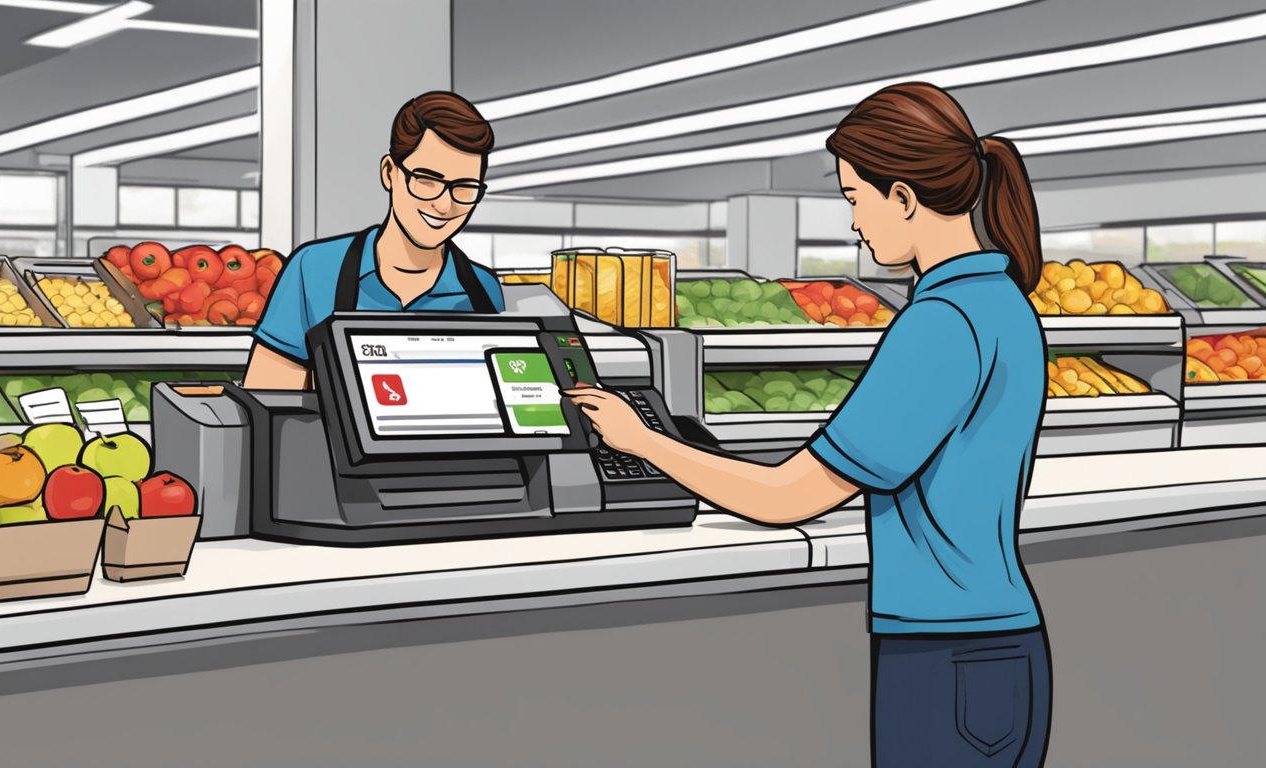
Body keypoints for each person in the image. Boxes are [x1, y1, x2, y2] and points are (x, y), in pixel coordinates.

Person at [565, 82, 1051, 767]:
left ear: (905, 198)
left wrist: (643, 440)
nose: (855, 222)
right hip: (1005, 655)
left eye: (857, 198)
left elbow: (789, 497)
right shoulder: (1004, 305)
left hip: (945, 654)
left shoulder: (941, 326)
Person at [244, 91, 504, 390]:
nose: (444, 205)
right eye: (426, 180)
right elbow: (271, 406)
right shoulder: (314, 270)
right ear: (389, 173)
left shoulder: (482, 290)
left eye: (464, 187)